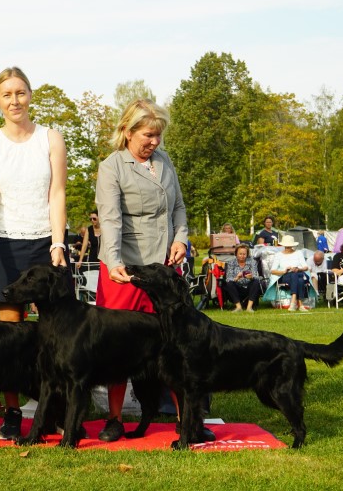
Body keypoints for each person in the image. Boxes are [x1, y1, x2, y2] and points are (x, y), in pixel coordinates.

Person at [0, 66, 68, 441]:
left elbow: (57, 194)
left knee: (53, 336)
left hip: (44, 245)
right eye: (7, 94)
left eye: (20, 93)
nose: (14, 100)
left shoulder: (51, 139)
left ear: (30, 95)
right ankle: (11, 412)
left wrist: (57, 242)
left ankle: (54, 407)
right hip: (5, 244)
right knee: (8, 337)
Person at [94, 98, 189, 442]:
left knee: (174, 342)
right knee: (117, 345)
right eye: (148, 135)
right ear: (127, 131)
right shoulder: (111, 167)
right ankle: (115, 419)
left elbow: (178, 206)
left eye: (158, 136)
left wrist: (181, 239)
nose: (154, 142)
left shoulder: (164, 162)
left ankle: (185, 419)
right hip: (125, 270)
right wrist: (116, 262)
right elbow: (111, 219)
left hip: (163, 267)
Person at [265, 235, 311, 311]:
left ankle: (293, 302)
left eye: (289, 246)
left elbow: (305, 267)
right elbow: (273, 271)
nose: (288, 248)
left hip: (299, 273)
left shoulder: (298, 253)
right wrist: (284, 271)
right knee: (299, 279)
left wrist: (298, 269)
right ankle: (300, 304)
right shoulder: (278, 255)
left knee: (296, 275)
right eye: (286, 246)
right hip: (285, 276)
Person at [222, 244, 261, 312]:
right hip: (237, 287)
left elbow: (256, 276)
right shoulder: (231, 262)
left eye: (244, 254)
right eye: (240, 254)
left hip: (248, 287)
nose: (242, 256)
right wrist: (236, 278)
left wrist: (251, 277)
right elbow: (228, 278)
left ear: (247, 254)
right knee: (229, 283)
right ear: (236, 254)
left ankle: (249, 307)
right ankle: (238, 307)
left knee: (256, 281)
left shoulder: (252, 261)